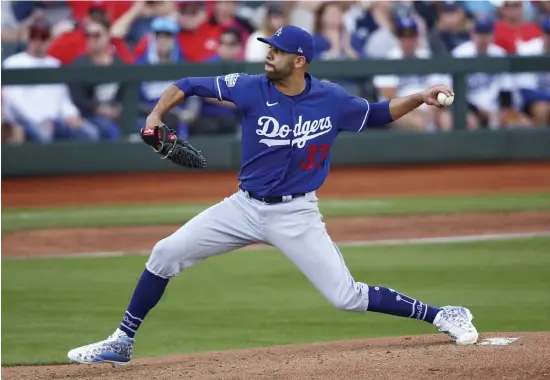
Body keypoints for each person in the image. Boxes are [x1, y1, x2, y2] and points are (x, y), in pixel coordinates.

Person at [67, 24, 479, 366]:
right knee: (164, 253)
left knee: (346, 297)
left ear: (299, 61)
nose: (268, 54)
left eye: (277, 50)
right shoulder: (248, 88)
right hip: (244, 207)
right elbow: (187, 84)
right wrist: (156, 116)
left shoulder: (330, 98)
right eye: (268, 46)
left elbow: (375, 114)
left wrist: (419, 98)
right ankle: (122, 341)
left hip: (297, 214)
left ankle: (443, 313)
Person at [2, 18, 100, 143]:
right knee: (44, 135)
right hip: (27, 121)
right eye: (34, 37)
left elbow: (63, 99)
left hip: (57, 120)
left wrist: (72, 115)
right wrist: (39, 120)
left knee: (90, 133)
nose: (38, 42)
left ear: (49, 40)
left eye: (43, 37)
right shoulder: (13, 64)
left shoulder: (55, 65)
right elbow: (13, 101)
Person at [452, 17, 532, 129]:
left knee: (524, 125)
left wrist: (505, 111)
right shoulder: (460, 53)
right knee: (470, 123)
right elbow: (454, 93)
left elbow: (506, 89)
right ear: (473, 34)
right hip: (470, 109)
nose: (483, 38)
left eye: (486, 33)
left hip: (496, 109)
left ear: (492, 35)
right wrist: (475, 110)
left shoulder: (498, 53)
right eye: (480, 33)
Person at [374, 17, 451, 131]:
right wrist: (416, 110)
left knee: (447, 120)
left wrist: (432, 110)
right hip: (401, 111)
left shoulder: (426, 56)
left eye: (411, 36)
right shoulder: (390, 59)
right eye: (404, 36)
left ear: (417, 37)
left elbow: (439, 86)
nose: (408, 40)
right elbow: (390, 95)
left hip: (430, 107)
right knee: (419, 124)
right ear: (398, 38)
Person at [69, 18, 123, 141]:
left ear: (108, 36)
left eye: (96, 35)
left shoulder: (119, 65)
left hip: (118, 115)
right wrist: (99, 109)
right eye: (88, 35)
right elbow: (78, 99)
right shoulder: (79, 64)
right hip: (89, 116)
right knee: (108, 128)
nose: (91, 40)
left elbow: (126, 94)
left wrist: (119, 111)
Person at [516, 16, 550, 126]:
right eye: (548, 34)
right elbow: (526, 92)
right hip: (529, 103)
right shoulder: (529, 50)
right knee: (542, 108)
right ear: (543, 34)